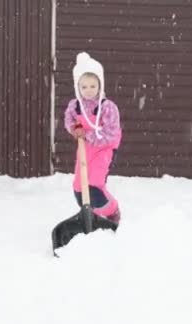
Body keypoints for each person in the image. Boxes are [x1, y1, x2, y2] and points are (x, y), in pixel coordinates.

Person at [64, 52, 122, 224]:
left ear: (100, 85)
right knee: (78, 188)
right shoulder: (75, 106)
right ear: (77, 87)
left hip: (105, 148)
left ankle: (112, 210)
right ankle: (92, 217)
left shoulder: (108, 107)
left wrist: (87, 135)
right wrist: (74, 128)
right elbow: (69, 120)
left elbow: (111, 133)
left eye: (93, 86)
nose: (88, 91)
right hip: (86, 148)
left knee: (94, 185)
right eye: (84, 87)